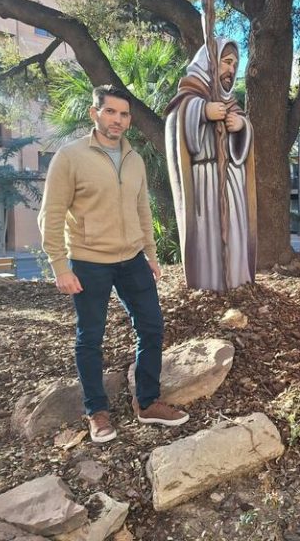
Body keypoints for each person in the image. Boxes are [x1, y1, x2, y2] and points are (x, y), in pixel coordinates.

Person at [38, 85, 189, 443]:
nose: (117, 120)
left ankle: (148, 402)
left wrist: (151, 255)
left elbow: (142, 209)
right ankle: (97, 411)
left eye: (124, 114)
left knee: (152, 327)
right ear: (95, 113)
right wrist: (60, 266)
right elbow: (52, 213)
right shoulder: (71, 156)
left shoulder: (134, 158)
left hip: (132, 259)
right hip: (89, 262)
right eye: (110, 112)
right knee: (90, 338)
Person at [165, 37, 256, 292]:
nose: (231, 69)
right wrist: (202, 111)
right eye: (226, 62)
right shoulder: (190, 95)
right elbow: (175, 122)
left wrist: (241, 127)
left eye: (235, 64)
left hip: (233, 180)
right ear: (210, 63)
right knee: (210, 235)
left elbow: (244, 143)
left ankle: (237, 280)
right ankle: (210, 283)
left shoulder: (232, 104)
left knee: (235, 234)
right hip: (204, 179)